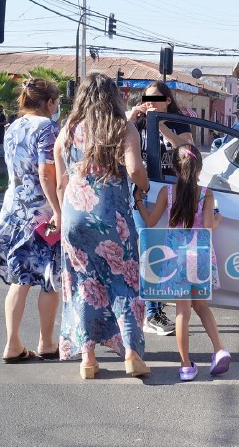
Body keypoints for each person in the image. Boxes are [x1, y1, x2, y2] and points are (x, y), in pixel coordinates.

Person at [54, 72, 150, 379]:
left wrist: (61, 214)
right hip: (113, 219)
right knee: (124, 282)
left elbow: (60, 182)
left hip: (74, 216)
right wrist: (143, 187)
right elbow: (135, 170)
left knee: (84, 285)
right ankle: (132, 354)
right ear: (114, 97)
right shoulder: (123, 128)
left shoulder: (68, 130)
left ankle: (88, 359)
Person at [0, 78, 62, 364]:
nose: (57, 106)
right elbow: (46, 173)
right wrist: (58, 210)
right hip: (41, 211)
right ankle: (47, 343)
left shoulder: (13, 126)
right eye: (56, 101)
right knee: (49, 278)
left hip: (14, 208)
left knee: (20, 278)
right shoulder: (47, 127)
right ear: (49, 102)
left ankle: (12, 344)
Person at [135, 143, 230, 381]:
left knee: (182, 313)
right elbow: (207, 228)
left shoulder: (166, 193)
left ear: (175, 169)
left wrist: (138, 201)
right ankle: (219, 350)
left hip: (176, 259)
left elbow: (150, 221)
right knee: (202, 307)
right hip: (199, 257)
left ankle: (186, 365)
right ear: (199, 168)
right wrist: (217, 221)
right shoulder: (206, 193)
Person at [127, 80, 193, 336]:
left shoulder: (177, 121)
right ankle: (152, 313)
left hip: (170, 192)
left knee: (163, 251)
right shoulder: (137, 122)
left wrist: (162, 126)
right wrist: (132, 118)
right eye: (147, 98)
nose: (151, 103)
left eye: (156, 98)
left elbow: (187, 151)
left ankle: (153, 309)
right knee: (150, 249)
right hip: (141, 193)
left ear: (168, 100)